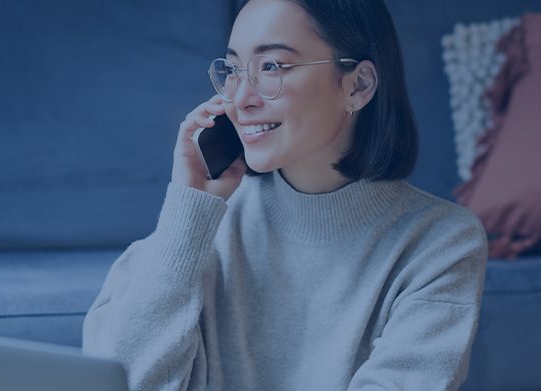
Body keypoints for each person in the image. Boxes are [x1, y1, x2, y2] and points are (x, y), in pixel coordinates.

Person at [81, 0, 488, 389]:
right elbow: (119, 382)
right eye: (234, 70)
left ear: (358, 85)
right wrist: (185, 216)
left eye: (272, 66)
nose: (240, 100)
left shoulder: (442, 243)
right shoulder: (201, 226)